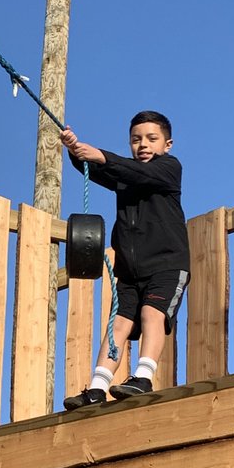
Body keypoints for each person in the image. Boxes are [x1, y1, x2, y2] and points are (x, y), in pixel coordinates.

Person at [60, 110, 190, 410]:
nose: (143, 144)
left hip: (167, 264)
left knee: (151, 313)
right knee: (117, 325)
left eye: (151, 139)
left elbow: (133, 171)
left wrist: (101, 156)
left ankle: (143, 376)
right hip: (130, 271)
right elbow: (99, 169)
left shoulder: (169, 168)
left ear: (167, 144)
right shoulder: (126, 176)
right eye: (136, 139)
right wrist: (75, 150)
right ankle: (96, 386)